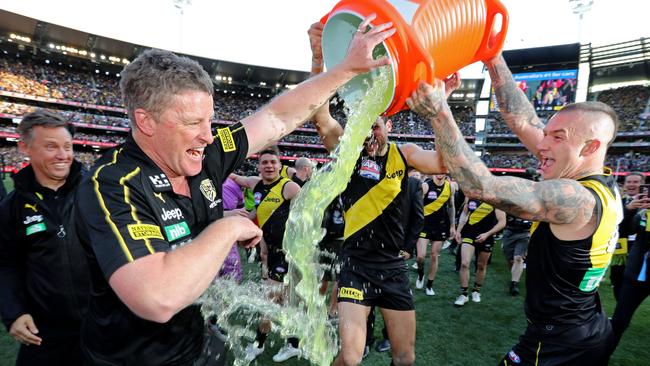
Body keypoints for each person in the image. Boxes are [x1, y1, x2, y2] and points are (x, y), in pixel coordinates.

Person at [74, 17, 396, 366]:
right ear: (146, 121)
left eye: (209, 120)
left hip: (196, 343)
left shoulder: (208, 153)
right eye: (192, 123)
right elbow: (157, 297)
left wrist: (346, 69)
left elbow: (276, 117)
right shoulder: (113, 182)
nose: (208, 135)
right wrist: (226, 228)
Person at [407, 53, 622, 365]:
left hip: (557, 344)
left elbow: (481, 187)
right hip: (588, 326)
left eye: (556, 137)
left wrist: (439, 111)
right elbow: (523, 120)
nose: (542, 144)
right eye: (546, 133)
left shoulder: (577, 199)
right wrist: (493, 58)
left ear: (590, 148)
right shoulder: (601, 183)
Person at [309, 21, 450, 366]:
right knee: (351, 357)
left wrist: (441, 109)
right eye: (364, 122)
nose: (370, 131)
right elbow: (320, 117)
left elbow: (446, 162)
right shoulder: (349, 151)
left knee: (404, 357)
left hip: (392, 267)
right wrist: (316, 56)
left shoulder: (406, 155)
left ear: (389, 126)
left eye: (376, 124)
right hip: (355, 264)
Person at [0, 109, 90, 365]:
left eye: (67, 146)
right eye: (51, 147)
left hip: (101, 326)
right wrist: (13, 313)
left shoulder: (96, 193)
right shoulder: (11, 207)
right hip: (44, 334)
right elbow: (5, 265)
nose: (63, 155)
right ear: (24, 147)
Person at [230, 147, 303, 362]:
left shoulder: (289, 188)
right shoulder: (255, 183)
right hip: (270, 252)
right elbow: (235, 177)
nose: (269, 166)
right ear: (259, 166)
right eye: (264, 162)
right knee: (284, 301)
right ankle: (293, 343)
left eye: (273, 162)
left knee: (269, 301)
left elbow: (309, 214)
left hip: (288, 254)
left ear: (280, 166)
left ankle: (259, 344)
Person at [366, 168, 424, 356]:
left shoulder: (414, 185)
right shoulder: (374, 179)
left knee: (392, 298)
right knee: (366, 298)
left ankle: (388, 336)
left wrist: (408, 248)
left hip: (395, 253)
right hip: (368, 249)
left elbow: (417, 219)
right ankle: (366, 340)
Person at [610, 208, 650, 352]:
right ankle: (602, 357)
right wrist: (629, 211)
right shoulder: (643, 214)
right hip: (636, 275)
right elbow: (624, 229)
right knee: (619, 321)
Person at [453, 198, 506, 306]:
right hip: (469, 233)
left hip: (487, 236)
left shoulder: (495, 200)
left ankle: (476, 290)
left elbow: (502, 222)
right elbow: (464, 214)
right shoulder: (471, 197)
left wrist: (487, 234)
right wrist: (458, 230)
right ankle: (464, 294)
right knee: (464, 263)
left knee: (481, 265)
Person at [610, 172, 650, 300]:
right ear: (625, 185)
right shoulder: (617, 202)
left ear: (643, 184)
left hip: (640, 249)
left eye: (636, 182)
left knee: (635, 283)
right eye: (629, 182)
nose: (632, 185)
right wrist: (628, 209)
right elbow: (613, 225)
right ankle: (619, 314)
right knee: (617, 279)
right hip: (620, 248)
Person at [416, 173, 456, 296]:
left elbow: (451, 206)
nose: (440, 174)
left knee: (434, 255)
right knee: (420, 256)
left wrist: (452, 225)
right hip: (424, 225)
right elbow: (416, 206)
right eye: (437, 171)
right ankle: (421, 274)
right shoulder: (426, 186)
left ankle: (429, 285)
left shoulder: (450, 187)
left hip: (440, 226)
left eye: (443, 172)